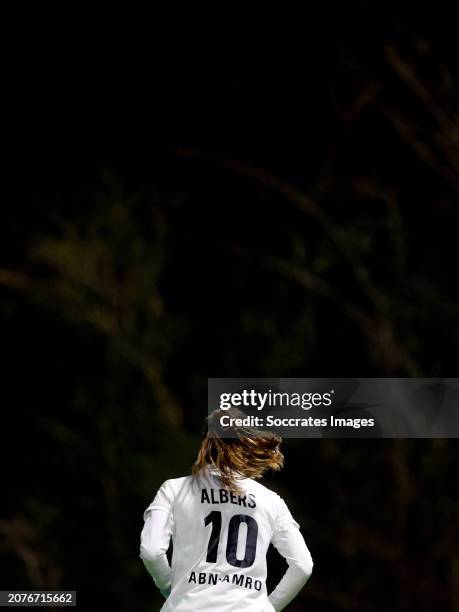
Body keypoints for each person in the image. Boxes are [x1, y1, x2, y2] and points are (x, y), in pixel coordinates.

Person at [140, 409, 313, 611]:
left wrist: (169, 588)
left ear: (205, 443)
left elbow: (151, 551)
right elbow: (302, 566)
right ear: (245, 443)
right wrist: (267, 608)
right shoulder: (271, 501)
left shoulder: (175, 489)